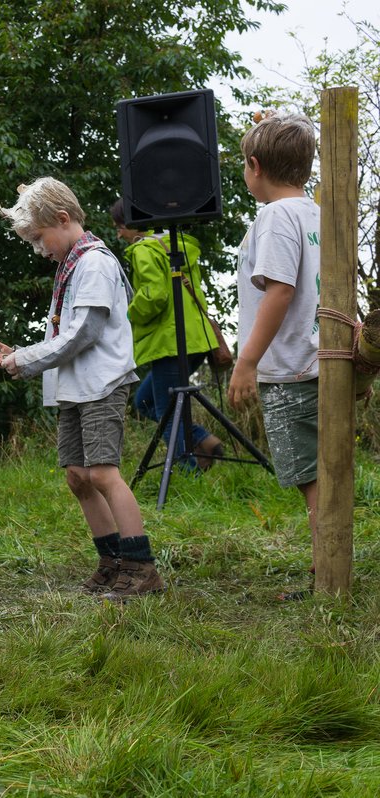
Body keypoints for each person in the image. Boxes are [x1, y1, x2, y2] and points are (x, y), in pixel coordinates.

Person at [0, 177, 163, 600]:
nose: (38, 248)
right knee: (78, 476)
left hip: (101, 385)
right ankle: (112, 560)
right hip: (75, 388)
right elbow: (67, 331)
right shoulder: (72, 265)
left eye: (38, 237)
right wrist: (24, 352)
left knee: (103, 472)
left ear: (63, 220)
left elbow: (84, 331)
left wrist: (28, 358)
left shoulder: (95, 263)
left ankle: (141, 567)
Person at [227, 110, 320, 587]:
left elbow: (279, 291)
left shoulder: (275, 216)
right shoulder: (317, 213)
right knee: (326, 469)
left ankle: (328, 573)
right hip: (321, 360)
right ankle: (328, 562)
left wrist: (247, 361)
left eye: (244, 163)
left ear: (256, 165)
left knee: (311, 478)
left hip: (289, 368)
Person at [109, 199, 224, 470]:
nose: (119, 235)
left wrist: (128, 314)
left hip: (169, 342)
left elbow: (154, 295)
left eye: (119, 228)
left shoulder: (143, 250)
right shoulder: (178, 244)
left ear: (132, 223)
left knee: (166, 412)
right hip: (197, 340)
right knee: (144, 401)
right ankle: (203, 440)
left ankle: (189, 472)